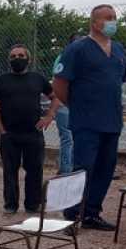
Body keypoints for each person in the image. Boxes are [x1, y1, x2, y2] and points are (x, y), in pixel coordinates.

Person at [53, 4, 126, 230]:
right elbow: (59, 84)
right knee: (83, 167)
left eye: (114, 17)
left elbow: (118, 80)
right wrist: (76, 105)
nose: (112, 21)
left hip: (112, 120)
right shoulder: (77, 49)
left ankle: (92, 213)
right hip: (86, 121)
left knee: (106, 167)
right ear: (94, 23)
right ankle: (72, 214)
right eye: (107, 18)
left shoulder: (119, 49)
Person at [0, 45, 60, 215]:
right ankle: (10, 205)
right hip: (9, 135)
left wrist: (49, 116)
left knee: (35, 170)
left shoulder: (37, 79)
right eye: (13, 56)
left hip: (33, 134)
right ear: (9, 60)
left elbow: (56, 97)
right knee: (9, 172)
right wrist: (2, 132)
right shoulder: (2, 81)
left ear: (28, 59)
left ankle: (32, 205)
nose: (17, 58)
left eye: (21, 55)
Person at [52, 34, 82, 174]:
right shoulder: (66, 58)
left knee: (71, 138)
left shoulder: (65, 57)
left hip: (73, 105)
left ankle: (69, 169)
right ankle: (67, 170)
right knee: (68, 138)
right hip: (66, 104)